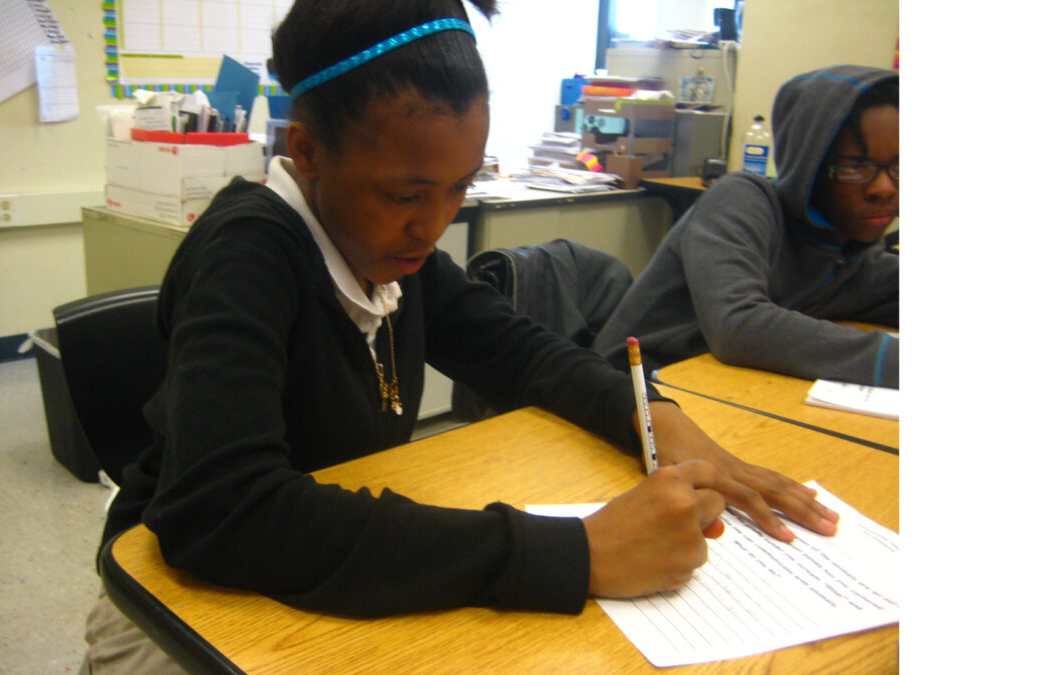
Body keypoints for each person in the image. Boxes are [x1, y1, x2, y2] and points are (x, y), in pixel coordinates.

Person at [84, 2, 838, 671]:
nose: (434, 223)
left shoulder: (390, 251)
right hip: (176, 610)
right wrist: (576, 555)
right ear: (307, 149)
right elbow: (226, 511)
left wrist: (662, 423)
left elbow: (523, 354)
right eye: (407, 192)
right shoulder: (247, 252)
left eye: (459, 186)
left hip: (323, 576)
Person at [594, 65, 899, 388]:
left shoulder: (852, 254)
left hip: (724, 394)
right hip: (625, 391)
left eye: (899, 166)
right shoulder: (741, 200)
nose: (884, 188)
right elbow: (738, 327)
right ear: (809, 164)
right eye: (854, 166)